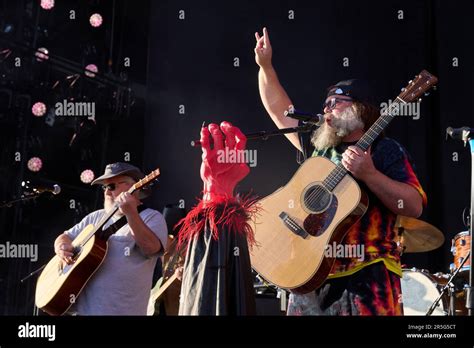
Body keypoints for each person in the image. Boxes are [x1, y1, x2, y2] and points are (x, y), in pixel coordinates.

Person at [254, 27, 427, 315]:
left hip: (366, 276)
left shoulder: (385, 150)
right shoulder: (318, 151)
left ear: (358, 110)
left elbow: (414, 205)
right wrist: (265, 66)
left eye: (335, 102)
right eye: (325, 104)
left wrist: (370, 174)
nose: (326, 109)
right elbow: (278, 109)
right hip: (307, 276)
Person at [54, 162, 168, 315]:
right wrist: (62, 247)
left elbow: (152, 249)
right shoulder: (95, 217)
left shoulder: (152, 217)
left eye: (112, 186)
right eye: (104, 187)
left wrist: (131, 213)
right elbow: (65, 236)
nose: (107, 192)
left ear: (133, 188)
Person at [177, 121, 258, 315]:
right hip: (220, 227)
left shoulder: (222, 230)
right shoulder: (220, 229)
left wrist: (216, 186)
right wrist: (215, 186)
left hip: (221, 228)